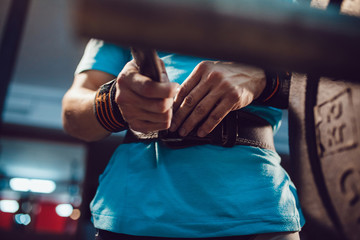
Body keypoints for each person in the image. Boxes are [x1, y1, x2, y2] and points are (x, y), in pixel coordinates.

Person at [62, 38, 304, 240]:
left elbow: (332, 82)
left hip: (258, 212)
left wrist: (263, 78)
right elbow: (73, 115)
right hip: (130, 213)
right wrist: (115, 101)